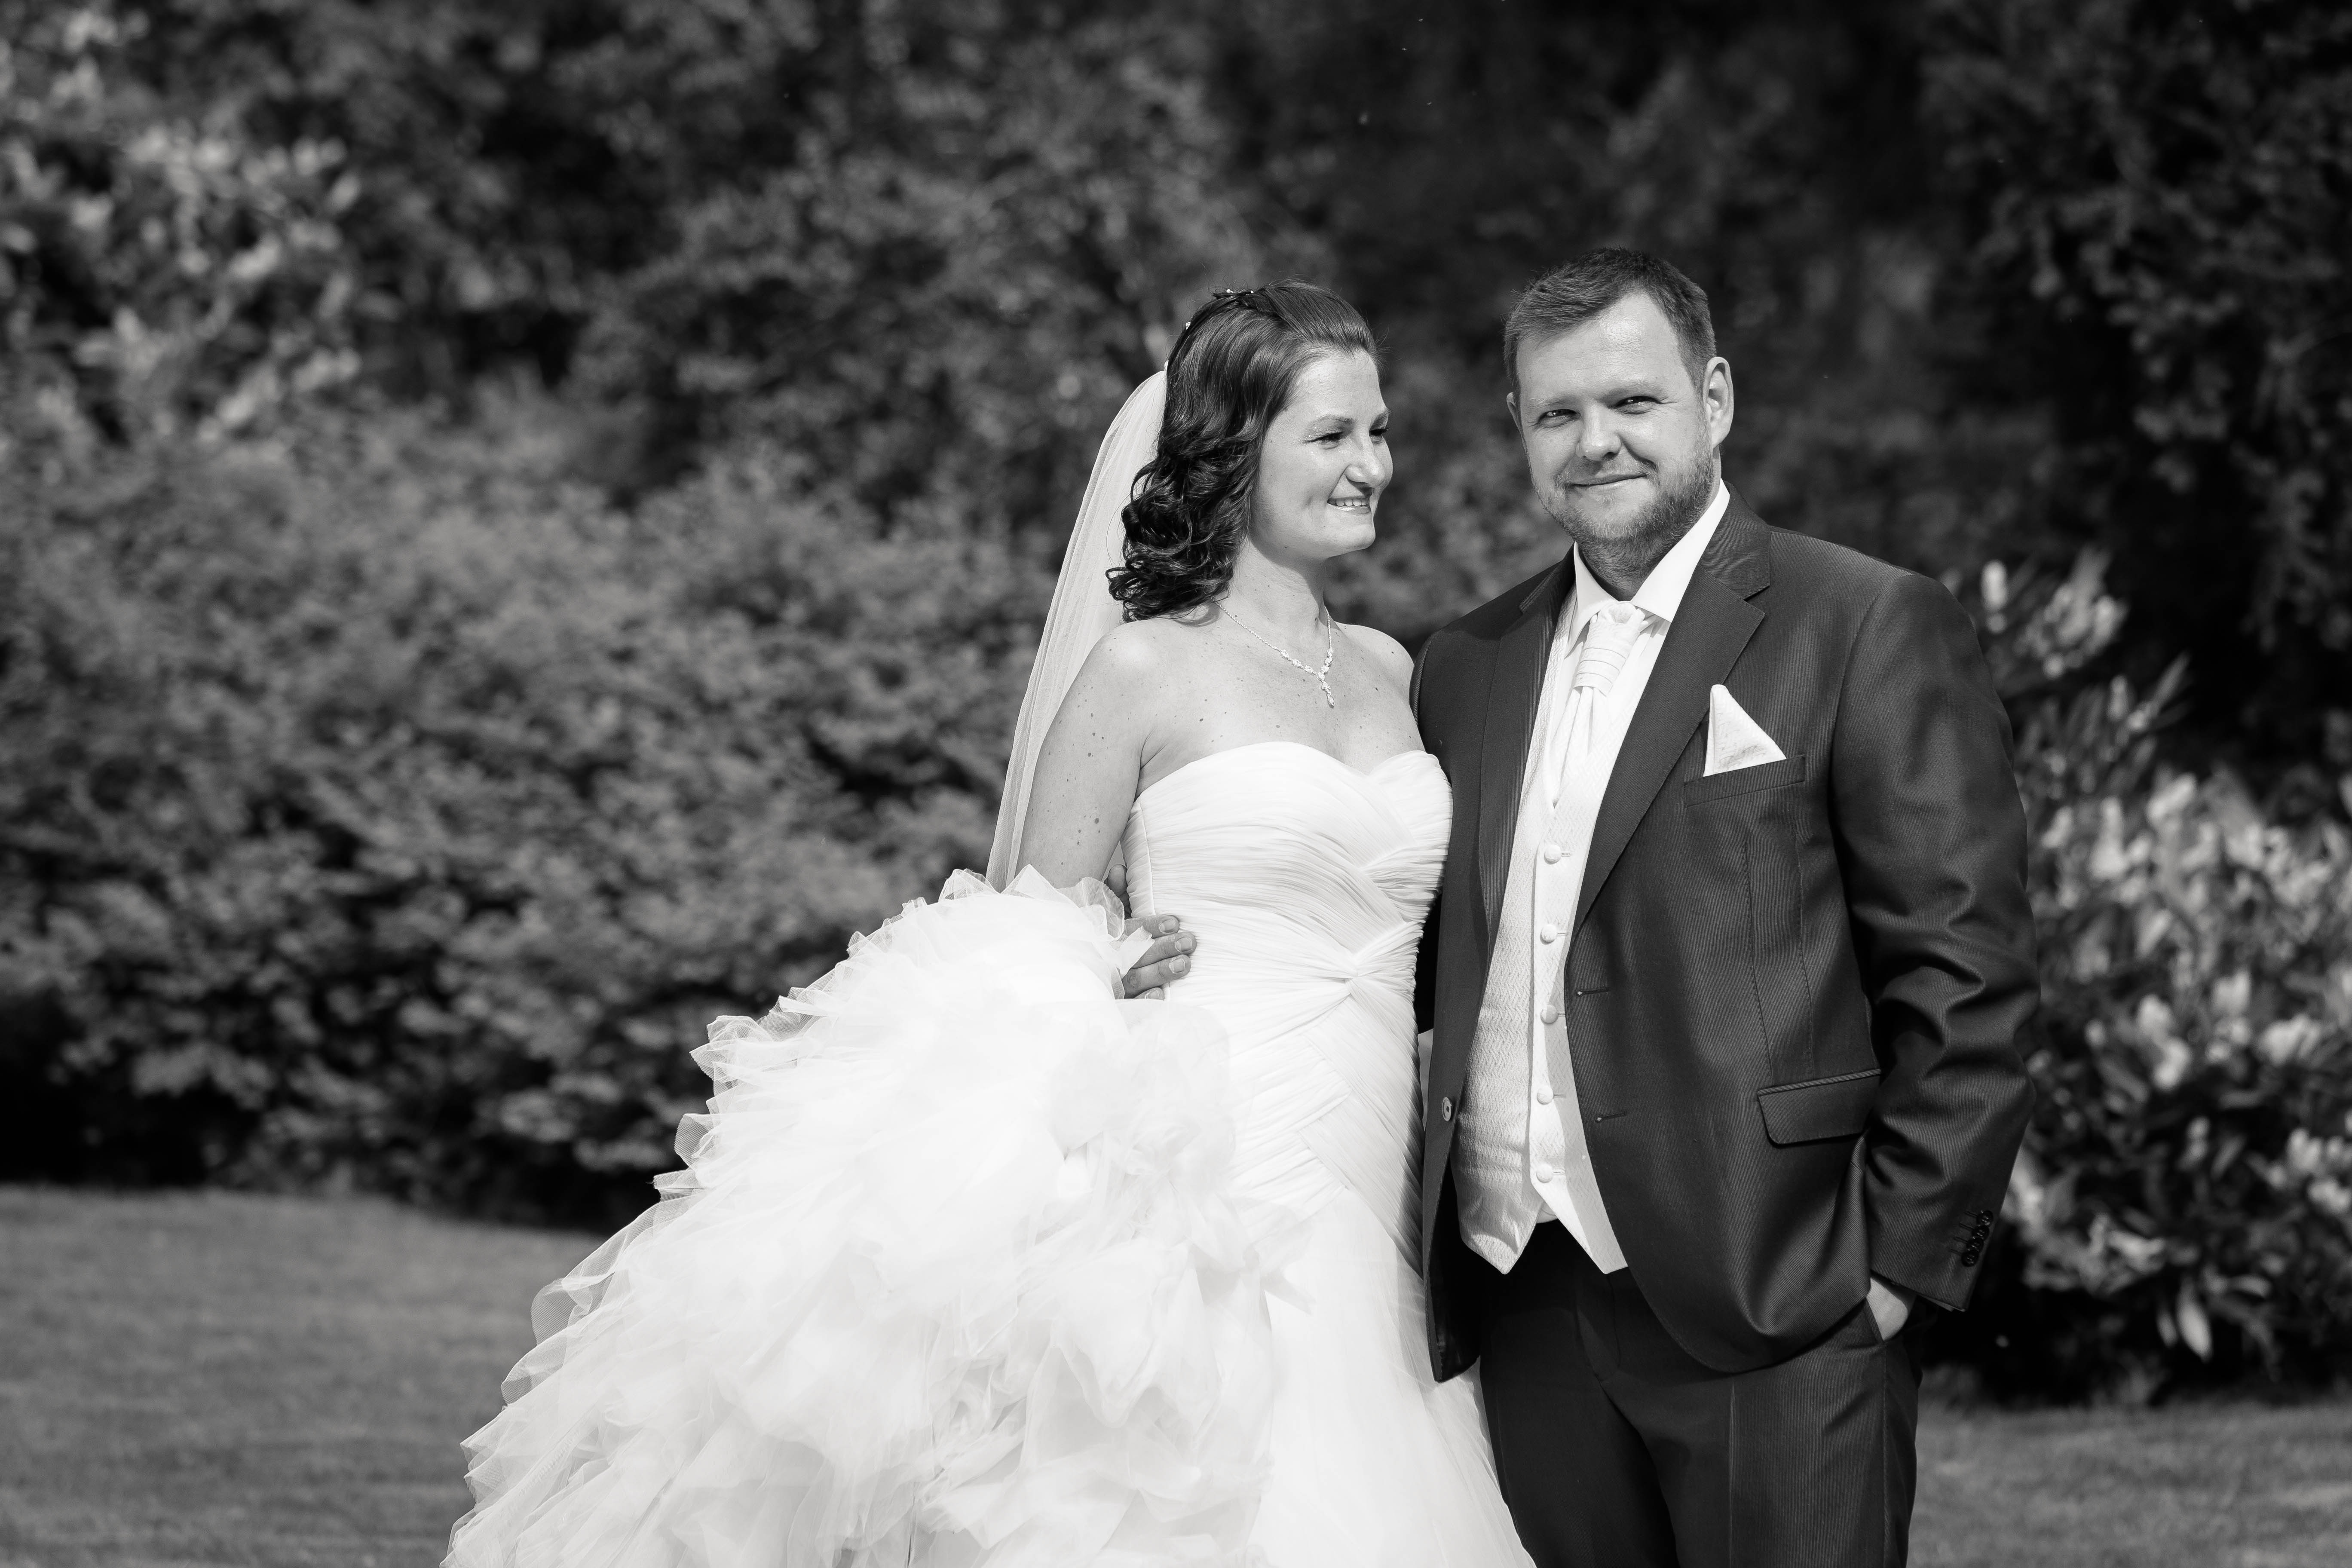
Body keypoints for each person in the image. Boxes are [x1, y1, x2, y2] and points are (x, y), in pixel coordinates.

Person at [445, 282, 1534, 1567]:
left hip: (1380, 1168)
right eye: (1334, 435)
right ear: (1238, 452)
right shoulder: (1141, 667)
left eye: (1380, 432)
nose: (1373, 467)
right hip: (1212, 1164)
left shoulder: (1395, 670)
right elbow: (1022, 944)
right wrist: (1111, 962)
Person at [1409, 248, 2039, 1568]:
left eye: (1631, 402)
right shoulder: (1463, 665)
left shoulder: (1862, 622)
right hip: (1528, 1308)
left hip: (1785, 1303)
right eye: (1557, 413)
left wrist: (1896, 1273)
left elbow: (1965, 975)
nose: (1595, 441)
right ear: (1520, 430)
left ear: (1715, 399)